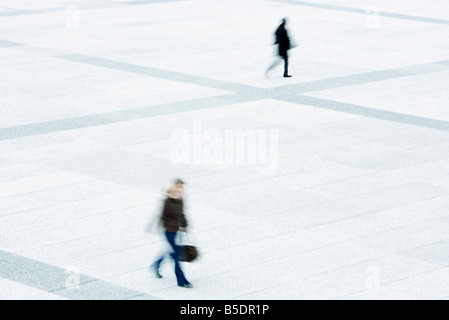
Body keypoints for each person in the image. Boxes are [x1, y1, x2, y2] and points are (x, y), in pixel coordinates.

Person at [151, 179, 193, 288]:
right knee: (176, 256)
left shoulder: (181, 199)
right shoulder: (167, 201)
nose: (181, 190)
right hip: (168, 231)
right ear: (174, 188)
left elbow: (182, 213)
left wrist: (185, 225)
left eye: (182, 188)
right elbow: (162, 216)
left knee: (172, 253)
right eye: (179, 187)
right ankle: (182, 281)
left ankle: (156, 264)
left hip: (177, 231)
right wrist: (167, 226)